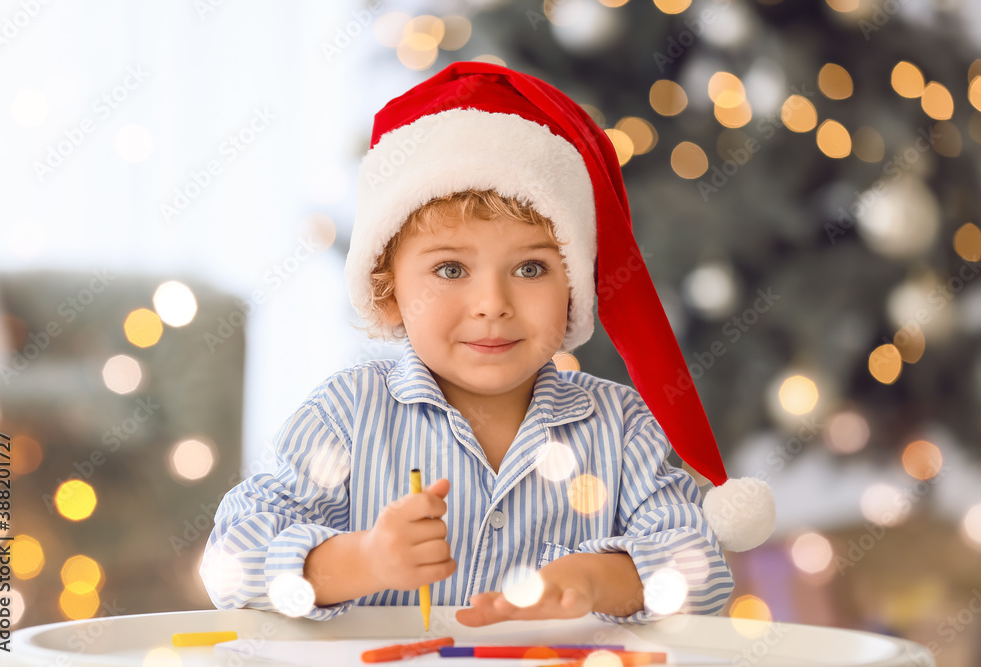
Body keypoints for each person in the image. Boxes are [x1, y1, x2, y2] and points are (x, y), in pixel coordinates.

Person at [201, 61, 774, 626]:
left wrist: (597, 579)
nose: (492, 303)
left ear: (575, 284)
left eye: (530, 269)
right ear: (389, 288)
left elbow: (700, 572)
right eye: (450, 270)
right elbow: (232, 562)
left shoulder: (621, 428)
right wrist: (364, 560)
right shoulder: (346, 416)